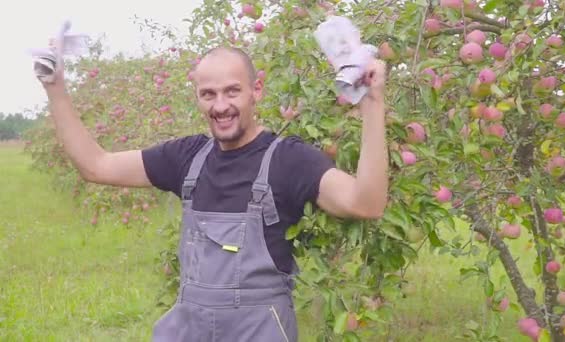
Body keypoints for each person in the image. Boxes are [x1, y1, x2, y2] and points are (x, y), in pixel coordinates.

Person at [39, 40, 388, 341]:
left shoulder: (289, 160)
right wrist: (55, 89)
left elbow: (366, 203)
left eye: (232, 91)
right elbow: (96, 165)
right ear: (197, 97)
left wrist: (372, 104)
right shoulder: (186, 158)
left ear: (257, 90)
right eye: (208, 94)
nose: (220, 106)